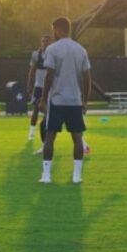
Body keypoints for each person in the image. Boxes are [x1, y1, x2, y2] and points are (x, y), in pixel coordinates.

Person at [38, 17, 91, 184]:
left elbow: (49, 75)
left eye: (53, 30)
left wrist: (43, 98)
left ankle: (46, 176)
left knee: (50, 137)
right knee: (77, 138)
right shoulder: (80, 49)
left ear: (58, 29)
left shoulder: (52, 49)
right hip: (75, 101)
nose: (53, 33)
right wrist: (85, 101)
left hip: (57, 101)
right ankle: (77, 176)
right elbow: (87, 78)